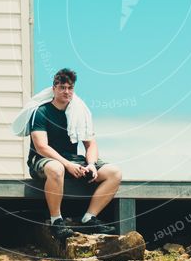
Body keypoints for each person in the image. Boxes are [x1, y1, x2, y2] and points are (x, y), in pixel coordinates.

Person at [26, 68, 122, 239]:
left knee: (114, 172)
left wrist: (91, 164)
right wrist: (68, 165)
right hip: (43, 161)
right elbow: (41, 147)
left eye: (70, 88)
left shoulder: (78, 112)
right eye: (62, 87)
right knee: (57, 169)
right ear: (54, 88)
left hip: (72, 161)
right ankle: (56, 221)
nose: (66, 91)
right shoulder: (41, 112)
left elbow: (91, 144)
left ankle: (89, 218)